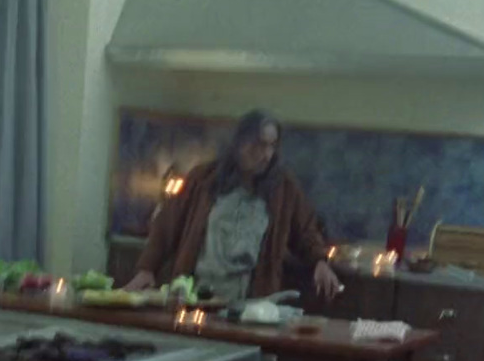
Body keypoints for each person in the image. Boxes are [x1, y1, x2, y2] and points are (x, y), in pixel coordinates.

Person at [126, 110, 343, 302]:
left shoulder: (284, 189)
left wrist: (320, 262)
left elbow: (306, 231)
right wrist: (146, 269)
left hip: (249, 301)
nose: (266, 155)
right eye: (258, 145)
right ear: (240, 144)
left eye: (271, 146)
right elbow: (166, 225)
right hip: (195, 294)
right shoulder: (203, 180)